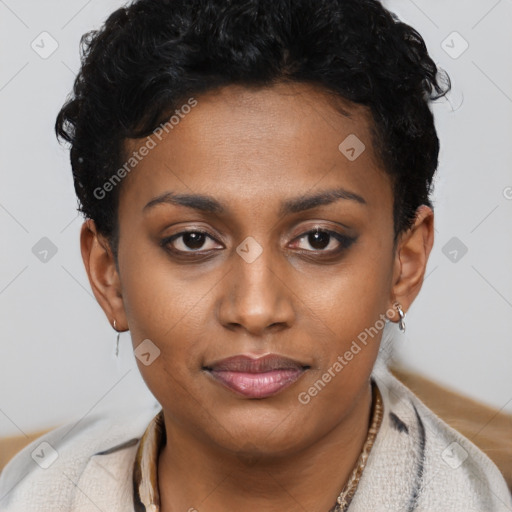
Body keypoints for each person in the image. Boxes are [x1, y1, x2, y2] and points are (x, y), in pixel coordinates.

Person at [1, 0, 510, 510]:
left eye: (318, 239)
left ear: (406, 262)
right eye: (193, 240)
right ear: (108, 274)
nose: (255, 308)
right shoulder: (34, 492)